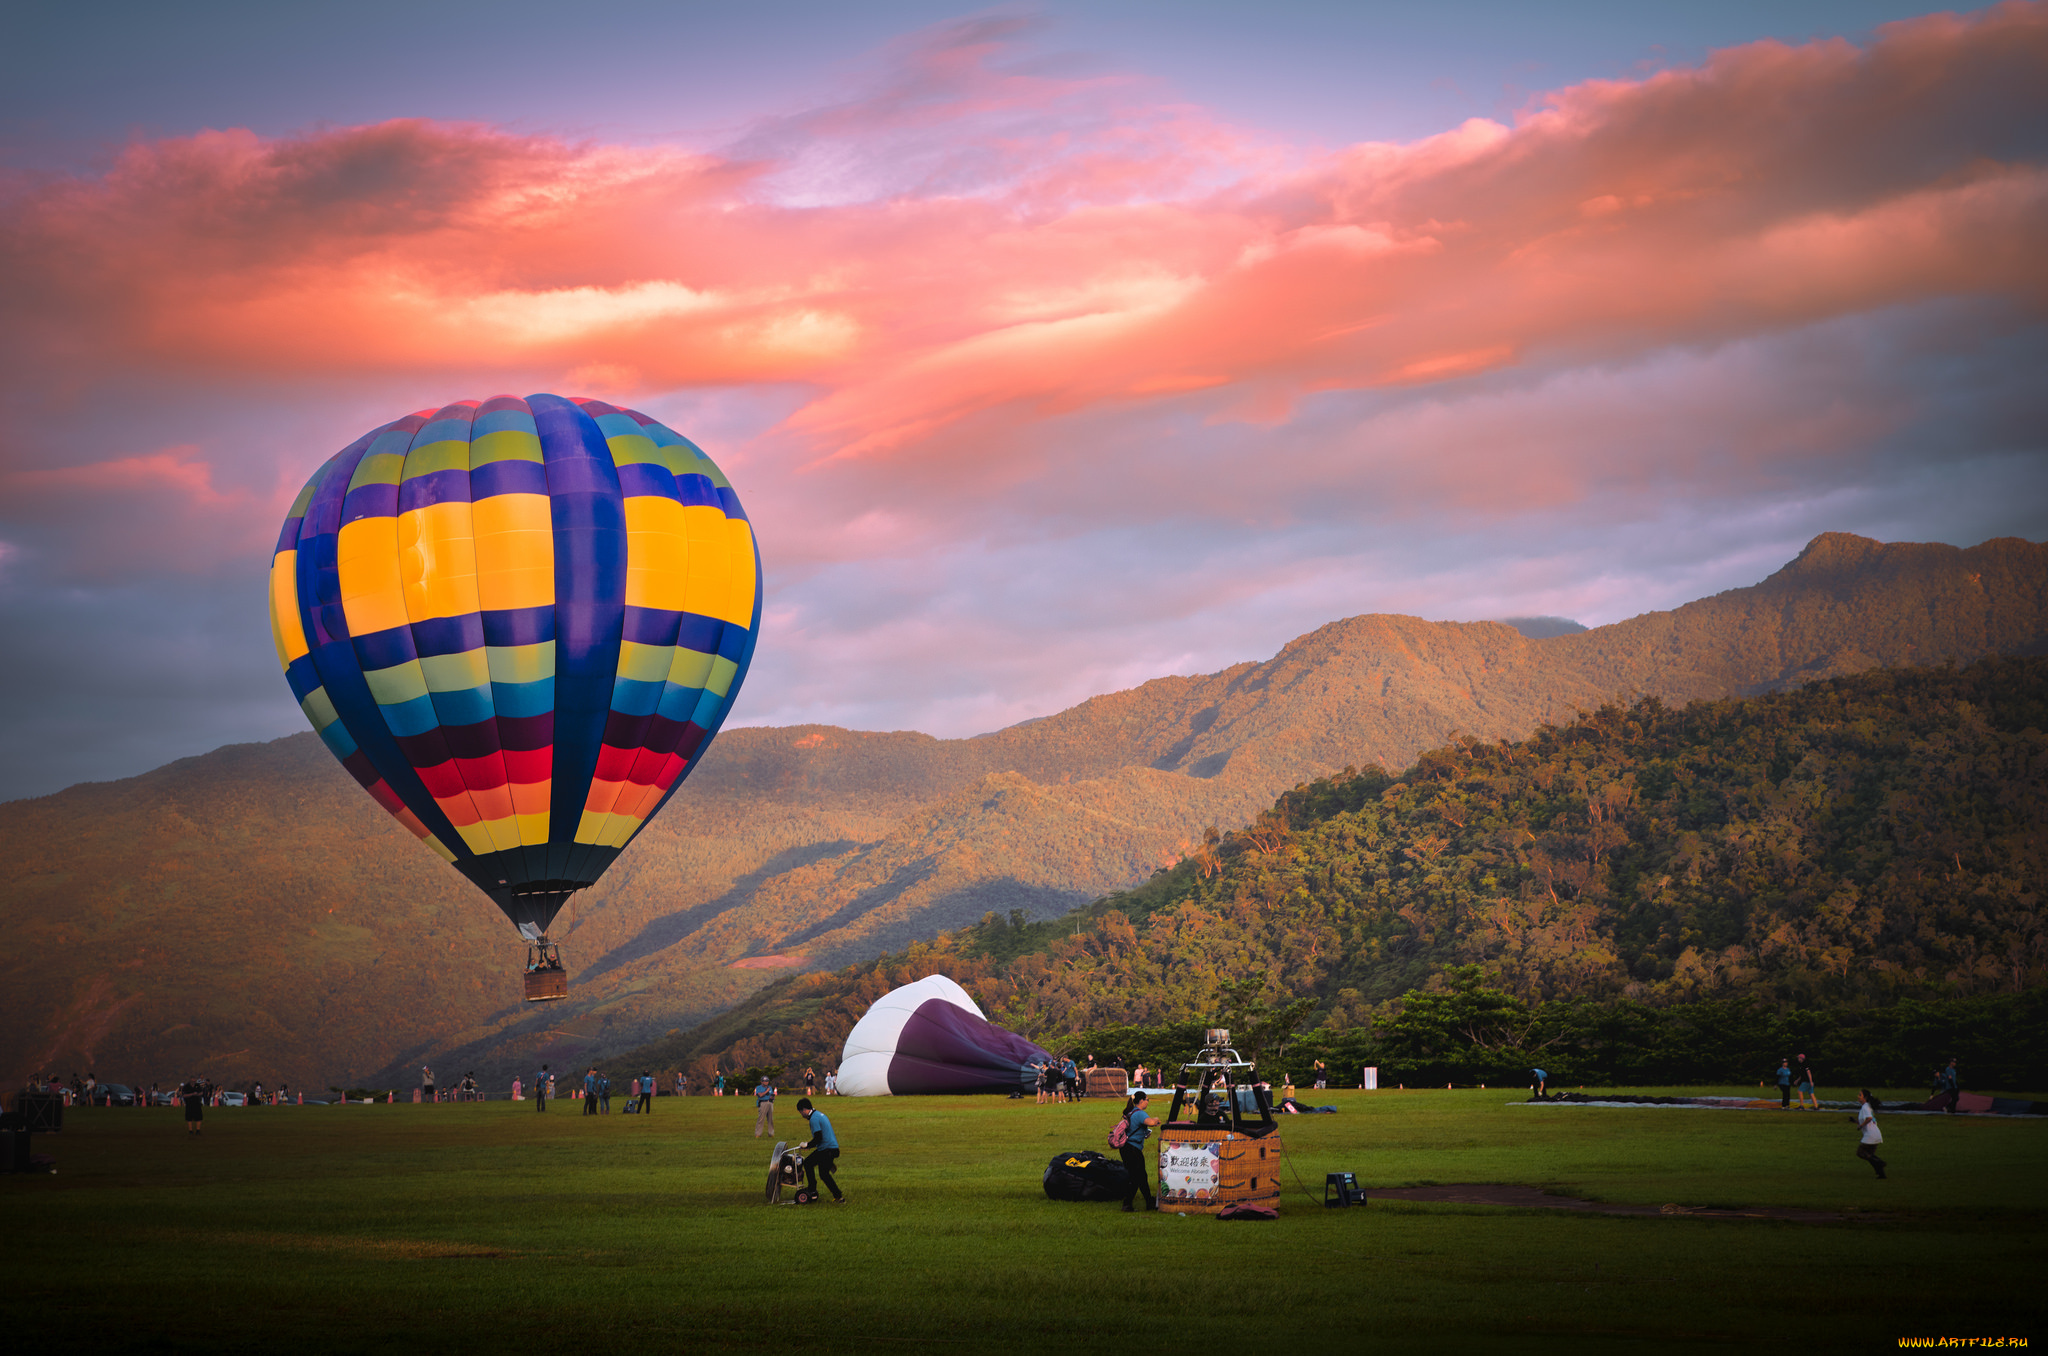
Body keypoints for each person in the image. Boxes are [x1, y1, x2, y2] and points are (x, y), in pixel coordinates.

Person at [794, 1098, 843, 1203]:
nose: (801, 1115)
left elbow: (818, 1138)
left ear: (804, 1110)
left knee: (810, 1164)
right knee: (821, 1172)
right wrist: (810, 1146)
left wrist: (807, 1144)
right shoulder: (819, 1114)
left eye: (800, 1112)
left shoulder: (814, 1119)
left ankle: (812, 1190)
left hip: (827, 1149)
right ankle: (837, 1196)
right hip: (830, 1148)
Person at [1118, 1092, 1157, 1212]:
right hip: (1132, 1149)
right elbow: (1151, 1122)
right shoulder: (1139, 1113)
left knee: (1141, 1176)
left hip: (1126, 1148)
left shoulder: (1131, 1112)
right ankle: (1127, 1204)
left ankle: (1149, 1201)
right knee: (1137, 1177)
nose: (1148, 1101)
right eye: (1147, 1099)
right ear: (1141, 1101)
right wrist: (1156, 1119)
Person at [1856, 1090, 1888, 1179]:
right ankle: (1881, 1174)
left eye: (1860, 1095)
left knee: (1861, 1152)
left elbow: (1869, 1118)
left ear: (1865, 1098)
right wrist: (1856, 1122)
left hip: (1871, 1135)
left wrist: (1860, 1125)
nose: (1858, 1096)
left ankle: (1880, 1162)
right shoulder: (1868, 1107)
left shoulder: (1865, 1107)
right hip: (1876, 1134)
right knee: (1870, 1156)